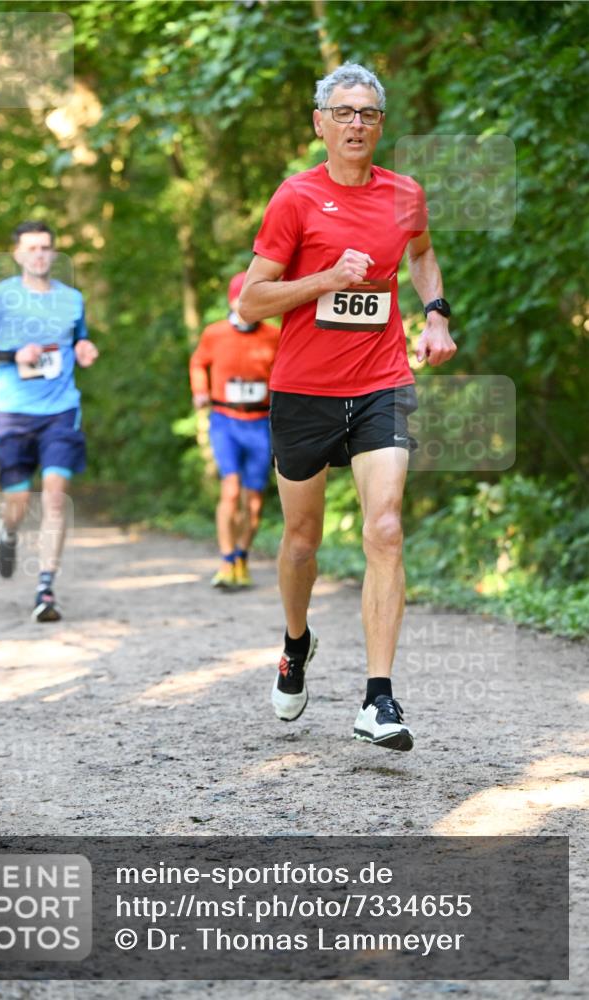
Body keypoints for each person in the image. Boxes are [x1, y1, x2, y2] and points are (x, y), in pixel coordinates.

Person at [239, 63, 456, 750]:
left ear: (380, 124)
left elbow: (420, 254)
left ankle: (377, 699)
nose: (356, 123)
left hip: (381, 381)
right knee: (302, 541)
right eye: (343, 112)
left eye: (367, 113)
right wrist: (327, 279)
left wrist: (436, 315)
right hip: (303, 390)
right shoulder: (294, 199)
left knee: (384, 528)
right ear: (319, 123)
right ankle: (295, 644)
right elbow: (250, 299)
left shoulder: (404, 194)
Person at [0, 220, 99, 622]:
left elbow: (78, 339)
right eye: (31, 248)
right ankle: (7, 532)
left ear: (54, 254)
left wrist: (86, 348)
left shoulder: (72, 299)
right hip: (12, 412)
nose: (39, 254)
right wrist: (12, 356)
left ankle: (46, 589)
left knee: (55, 496)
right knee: (18, 502)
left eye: (45, 247)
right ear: (18, 254)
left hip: (61, 410)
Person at [190, 272, 279, 588]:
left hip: (260, 423)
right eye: (244, 300)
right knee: (230, 489)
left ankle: (242, 556)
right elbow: (198, 362)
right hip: (225, 421)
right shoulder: (214, 334)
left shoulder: (273, 335)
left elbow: (286, 370)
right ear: (232, 300)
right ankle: (226, 561)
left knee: (254, 501)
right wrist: (199, 390)